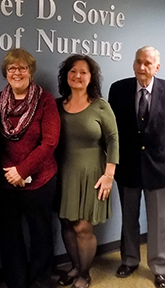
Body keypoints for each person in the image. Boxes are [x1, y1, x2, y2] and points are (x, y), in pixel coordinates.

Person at [108, 46, 165, 288]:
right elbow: (112, 131)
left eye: (147, 64)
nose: (142, 67)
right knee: (129, 219)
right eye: (138, 62)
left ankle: (160, 267)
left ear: (157, 67)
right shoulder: (118, 89)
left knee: (160, 221)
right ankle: (130, 259)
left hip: (160, 168)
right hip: (128, 167)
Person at [0, 48, 60, 288]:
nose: (17, 72)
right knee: (9, 236)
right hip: (6, 182)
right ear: (5, 73)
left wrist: (23, 170)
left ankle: (41, 280)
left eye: (22, 67)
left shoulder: (45, 100)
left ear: (31, 71)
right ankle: (17, 281)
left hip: (40, 181)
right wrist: (10, 171)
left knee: (41, 234)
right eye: (12, 68)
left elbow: (50, 142)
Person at [56, 55, 119, 288]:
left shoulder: (101, 105)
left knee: (83, 226)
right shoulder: (56, 105)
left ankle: (84, 273)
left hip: (93, 173)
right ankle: (73, 266)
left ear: (91, 77)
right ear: (66, 76)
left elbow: (113, 139)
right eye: (73, 71)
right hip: (63, 172)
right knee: (66, 222)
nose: (78, 76)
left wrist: (109, 175)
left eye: (83, 72)